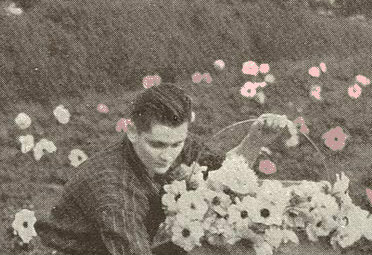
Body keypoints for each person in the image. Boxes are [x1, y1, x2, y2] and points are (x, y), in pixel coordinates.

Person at [35, 83, 290, 255]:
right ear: (132, 131)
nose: (168, 155)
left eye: (176, 143)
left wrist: (254, 140)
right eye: (157, 144)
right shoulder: (111, 186)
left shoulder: (175, 144)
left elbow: (227, 172)